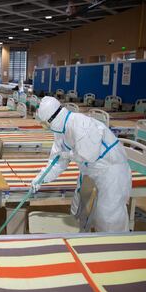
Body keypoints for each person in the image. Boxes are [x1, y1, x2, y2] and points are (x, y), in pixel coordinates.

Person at [31, 96, 131, 232]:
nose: (45, 126)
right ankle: (82, 242)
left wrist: (68, 155)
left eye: (45, 123)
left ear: (52, 118)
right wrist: (41, 177)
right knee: (79, 210)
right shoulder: (59, 130)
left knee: (108, 215)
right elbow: (57, 162)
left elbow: (89, 155)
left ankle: (114, 247)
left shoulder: (81, 124)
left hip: (111, 169)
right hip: (90, 170)